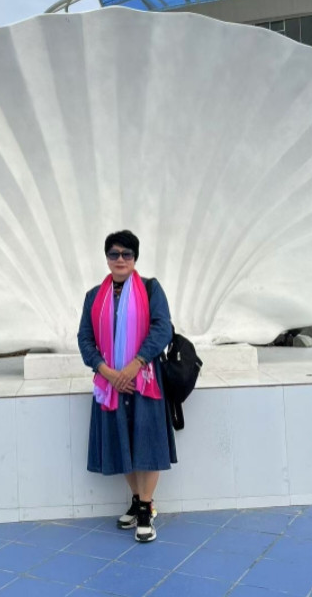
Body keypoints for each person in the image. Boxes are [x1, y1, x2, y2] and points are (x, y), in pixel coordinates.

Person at [77, 229, 177, 543]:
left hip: (145, 381)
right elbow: (85, 338)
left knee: (147, 443)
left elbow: (162, 329)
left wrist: (134, 366)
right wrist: (108, 372)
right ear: (107, 258)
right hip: (111, 384)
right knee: (123, 442)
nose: (120, 259)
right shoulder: (94, 297)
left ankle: (146, 509)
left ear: (135, 258)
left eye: (126, 254)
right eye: (114, 254)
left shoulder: (150, 289)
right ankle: (137, 499)